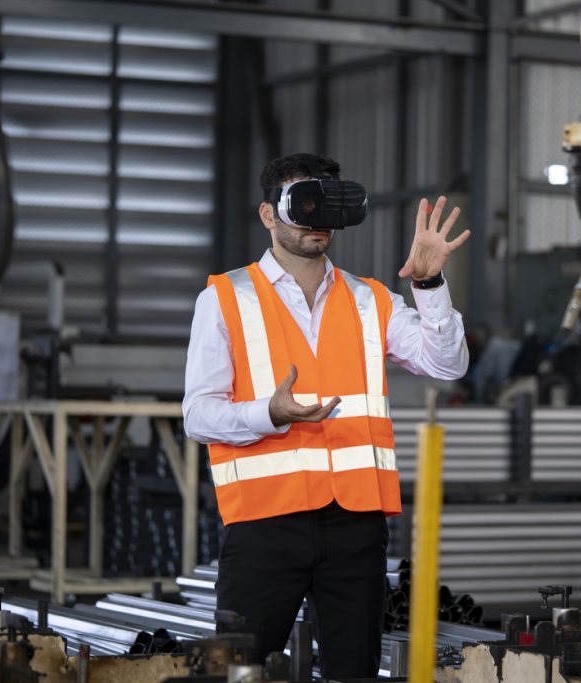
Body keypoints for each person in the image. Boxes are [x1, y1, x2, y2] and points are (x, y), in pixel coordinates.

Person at [182, 153, 470, 679]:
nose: (318, 220)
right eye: (304, 204)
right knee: (240, 672)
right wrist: (267, 413)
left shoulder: (370, 300)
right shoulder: (224, 299)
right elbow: (198, 416)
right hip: (264, 524)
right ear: (269, 215)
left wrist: (429, 285)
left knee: (353, 673)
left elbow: (447, 363)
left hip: (355, 528)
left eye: (328, 205)